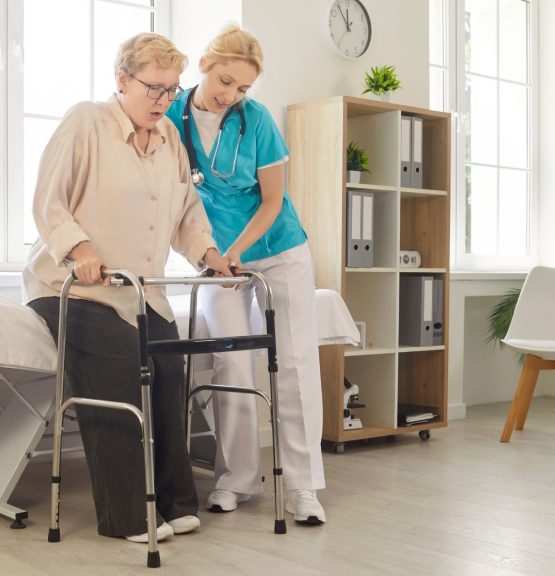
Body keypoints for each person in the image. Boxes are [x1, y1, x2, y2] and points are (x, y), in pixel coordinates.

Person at [23, 32, 232, 543]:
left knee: (168, 370)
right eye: (153, 88)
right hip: (73, 287)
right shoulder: (86, 123)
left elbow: (186, 213)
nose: (163, 101)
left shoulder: (170, 141)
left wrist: (210, 254)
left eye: (171, 91)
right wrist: (80, 249)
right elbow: (49, 202)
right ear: (121, 79)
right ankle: (128, 516)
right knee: (121, 368)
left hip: (140, 291)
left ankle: (175, 504)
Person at [167, 24, 327, 524]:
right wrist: (210, 257)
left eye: (242, 88)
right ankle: (236, 479)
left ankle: (303, 487)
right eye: (224, 80)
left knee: (296, 361)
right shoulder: (171, 118)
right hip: (217, 260)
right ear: (203, 65)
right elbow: (176, 201)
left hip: (278, 248)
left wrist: (233, 252)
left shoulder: (256, 121)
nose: (231, 94)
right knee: (233, 361)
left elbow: (273, 200)